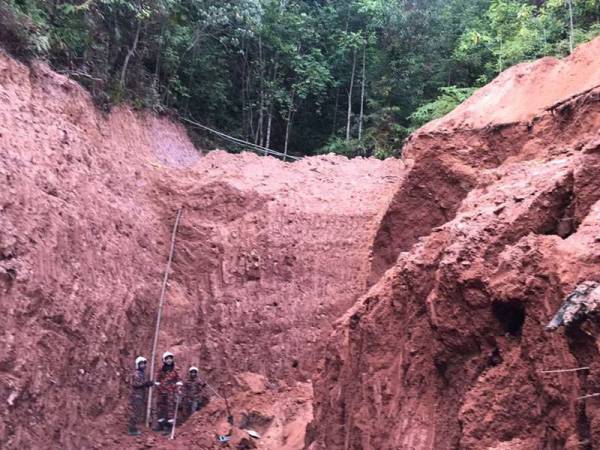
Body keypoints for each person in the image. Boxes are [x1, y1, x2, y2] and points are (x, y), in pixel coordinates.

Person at [154, 351, 182, 434]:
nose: (169, 360)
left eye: (170, 358)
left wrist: (178, 385)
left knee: (170, 408)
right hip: (161, 391)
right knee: (160, 408)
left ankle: (169, 428)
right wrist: (157, 384)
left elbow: (179, 379)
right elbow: (157, 378)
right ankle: (161, 425)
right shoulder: (161, 369)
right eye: (167, 359)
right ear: (164, 360)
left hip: (170, 392)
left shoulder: (175, 369)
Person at [128, 356, 153, 436]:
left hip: (141, 395)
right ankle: (132, 429)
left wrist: (148, 384)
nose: (143, 365)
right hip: (137, 395)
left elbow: (143, 384)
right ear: (137, 365)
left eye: (144, 364)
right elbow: (135, 384)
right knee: (136, 412)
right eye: (141, 364)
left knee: (138, 412)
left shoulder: (142, 373)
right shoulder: (136, 373)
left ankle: (134, 428)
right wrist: (145, 384)